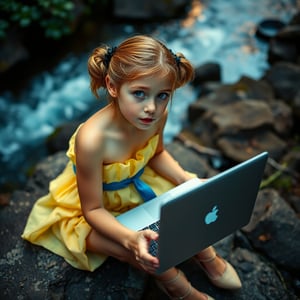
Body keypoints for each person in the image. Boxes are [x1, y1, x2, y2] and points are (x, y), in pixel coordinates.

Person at [22, 35, 242, 300]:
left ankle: (207, 257)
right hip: (92, 208)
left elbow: (157, 154)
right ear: (113, 87)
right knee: (140, 249)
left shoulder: (156, 115)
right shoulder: (92, 139)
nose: (151, 107)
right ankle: (177, 286)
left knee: (188, 201)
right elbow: (92, 209)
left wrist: (187, 181)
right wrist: (129, 238)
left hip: (138, 182)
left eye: (162, 96)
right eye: (139, 93)